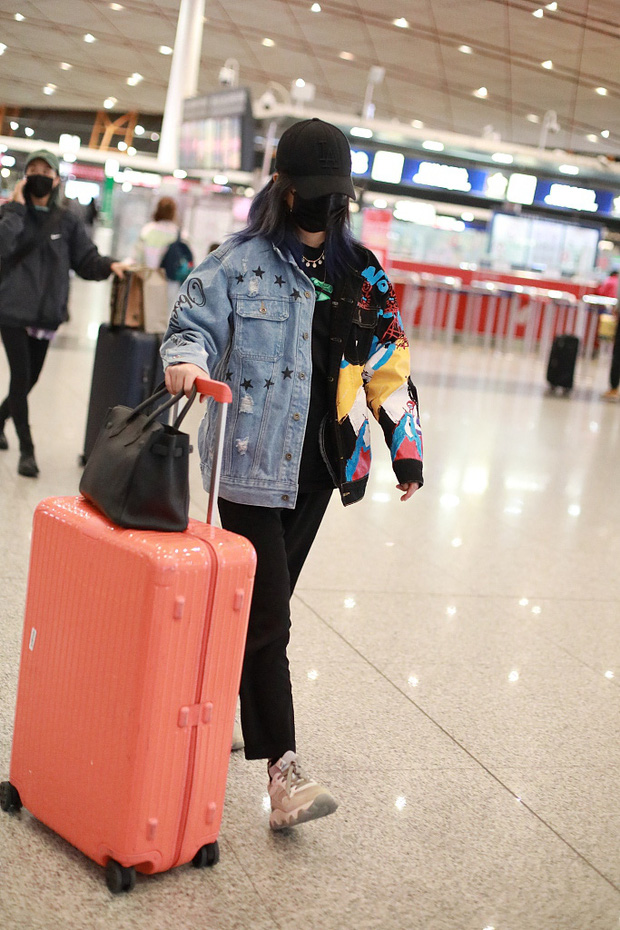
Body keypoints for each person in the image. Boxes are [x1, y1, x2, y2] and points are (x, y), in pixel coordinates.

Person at [160, 118, 424, 831]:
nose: (324, 206)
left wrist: (405, 448)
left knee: (253, 613)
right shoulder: (237, 262)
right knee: (270, 620)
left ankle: (222, 706)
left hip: (320, 471)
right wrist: (186, 362)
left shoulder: (362, 273)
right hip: (247, 465)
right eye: (314, 192)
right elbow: (191, 326)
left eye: (335, 195)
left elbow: (388, 365)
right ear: (283, 188)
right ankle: (284, 776)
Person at [0, 149, 127, 477]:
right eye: (33, 169)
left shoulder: (67, 220)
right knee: (20, 377)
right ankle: (27, 451)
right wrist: (15, 208)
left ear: (56, 179)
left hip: (46, 315)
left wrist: (110, 265)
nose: (39, 175)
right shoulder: (11, 214)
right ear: (25, 177)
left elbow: (85, 260)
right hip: (11, 309)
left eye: (46, 171)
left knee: (30, 379)